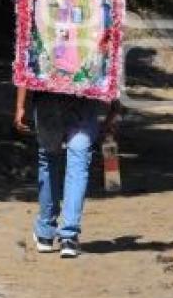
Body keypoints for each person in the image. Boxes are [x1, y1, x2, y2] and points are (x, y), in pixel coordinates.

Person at [14, 89, 121, 258]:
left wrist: (20, 105)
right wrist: (114, 107)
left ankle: (45, 234)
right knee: (78, 166)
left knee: (49, 160)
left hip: (47, 100)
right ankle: (69, 237)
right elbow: (110, 65)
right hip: (83, 100)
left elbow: (26, 63)